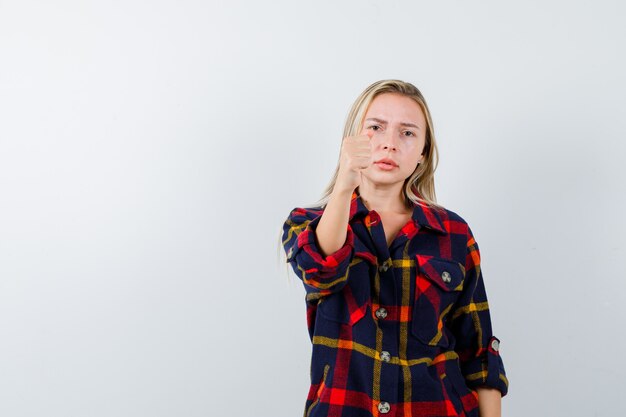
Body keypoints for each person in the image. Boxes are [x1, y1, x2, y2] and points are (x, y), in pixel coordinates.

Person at [280, 79, 508, 417]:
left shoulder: (453, 233)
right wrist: (345, 185)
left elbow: (479, 352)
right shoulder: (307, 224)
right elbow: (322, 271)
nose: (389, 144)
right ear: (351, 141)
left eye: (407, 133)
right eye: (375, 128)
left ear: (423, 153)